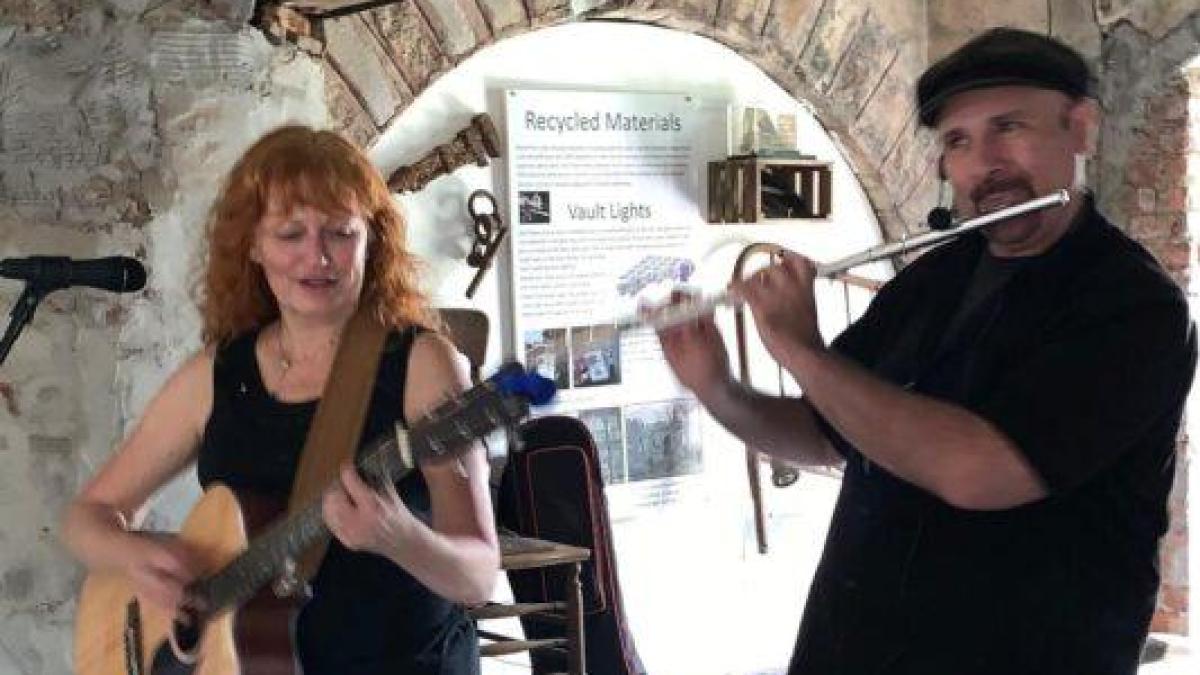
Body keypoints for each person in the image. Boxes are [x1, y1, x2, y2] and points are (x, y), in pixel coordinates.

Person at [657, 28, 1196, 674]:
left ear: (1077, 127)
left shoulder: (1133, 307)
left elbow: (977, 470)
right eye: (958, 142)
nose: (984, 162)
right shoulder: (933, 281)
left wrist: (799, 347)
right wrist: (717, 387)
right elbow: (828, 433)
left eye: (1008, 127)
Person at [62, 125, 498, 673]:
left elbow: (478, 575)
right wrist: (142, 557)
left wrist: (399, 537)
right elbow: (87, 518)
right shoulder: (220, 373)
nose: (317, 257)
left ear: (372, 240)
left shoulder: (422, 364)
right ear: (251, 246)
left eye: (340, 233)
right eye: (290, 234)